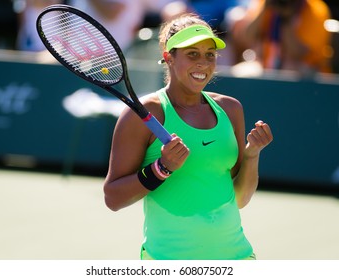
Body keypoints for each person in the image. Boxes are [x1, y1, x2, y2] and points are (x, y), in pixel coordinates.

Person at [103, 13, 273, 260]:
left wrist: (252, 155)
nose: (203, 63)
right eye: (192, 54)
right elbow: (113, 198)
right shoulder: (143, 114)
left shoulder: (231, 109)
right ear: (168, 58)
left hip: (236, 258)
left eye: (209, 54)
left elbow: (239, 198)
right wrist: (161, 168)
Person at [230, 0, 333, 74]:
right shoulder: (264, 3)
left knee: (289, 70)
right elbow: (248, 38)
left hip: (306, 71)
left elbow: (299, 53)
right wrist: (265, 9)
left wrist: (286, 19)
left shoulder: (316, 10)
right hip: (264, 64)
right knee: (239, 74)